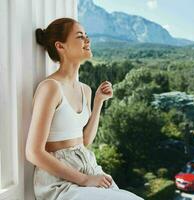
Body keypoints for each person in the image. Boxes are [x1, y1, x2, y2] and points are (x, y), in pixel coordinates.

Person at [25, 17, 144, 200]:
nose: (88, 40)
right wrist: (85, 179)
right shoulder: (50, 88)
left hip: (90, 169)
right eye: (80, 36)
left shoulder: (85, 90)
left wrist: (98, 103)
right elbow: (33, 152)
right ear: (60, 46)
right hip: (61, 182)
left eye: (86, 36)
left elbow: (85, 140)